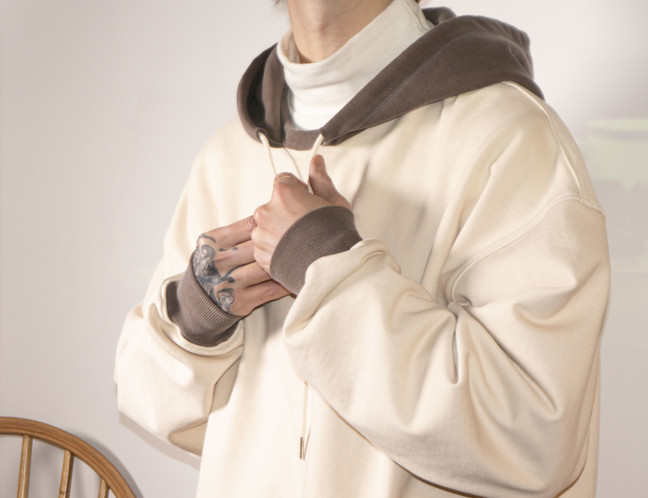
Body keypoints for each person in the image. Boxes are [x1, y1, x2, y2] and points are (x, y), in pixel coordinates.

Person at [114, 0, 610, 496]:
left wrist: (327, 266)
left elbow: (532, 442)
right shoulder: (225, 156)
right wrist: (194, 321)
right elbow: (151, 401)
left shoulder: (510, 139)